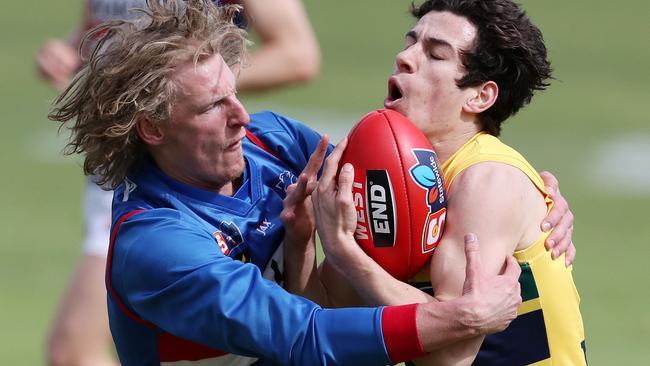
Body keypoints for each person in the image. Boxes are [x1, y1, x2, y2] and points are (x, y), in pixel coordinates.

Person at [46, 0, 578, 364]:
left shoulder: (274, 144)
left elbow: (402, 180)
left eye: (237, 92)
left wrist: (535, 201)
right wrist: (461, 316)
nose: (242, 115)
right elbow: (308, 335)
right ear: (154, 127)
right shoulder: (158, 246)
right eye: (213, 106)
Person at [37, 0, 320, 365]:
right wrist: (69, 51)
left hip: (185, 158)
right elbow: (106, 31)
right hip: (134, 159)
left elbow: (298, 54)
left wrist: (191, 90)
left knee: (72, 348)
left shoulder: (273, 137)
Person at [309, 0, 585, 365]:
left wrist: (345, 251)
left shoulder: (488, 182)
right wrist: (301, 235)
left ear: (480, 96)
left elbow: (448, 357)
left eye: (435, 54)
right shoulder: (390, 177)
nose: (404, 58)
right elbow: (322, 314)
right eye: (410, 43)